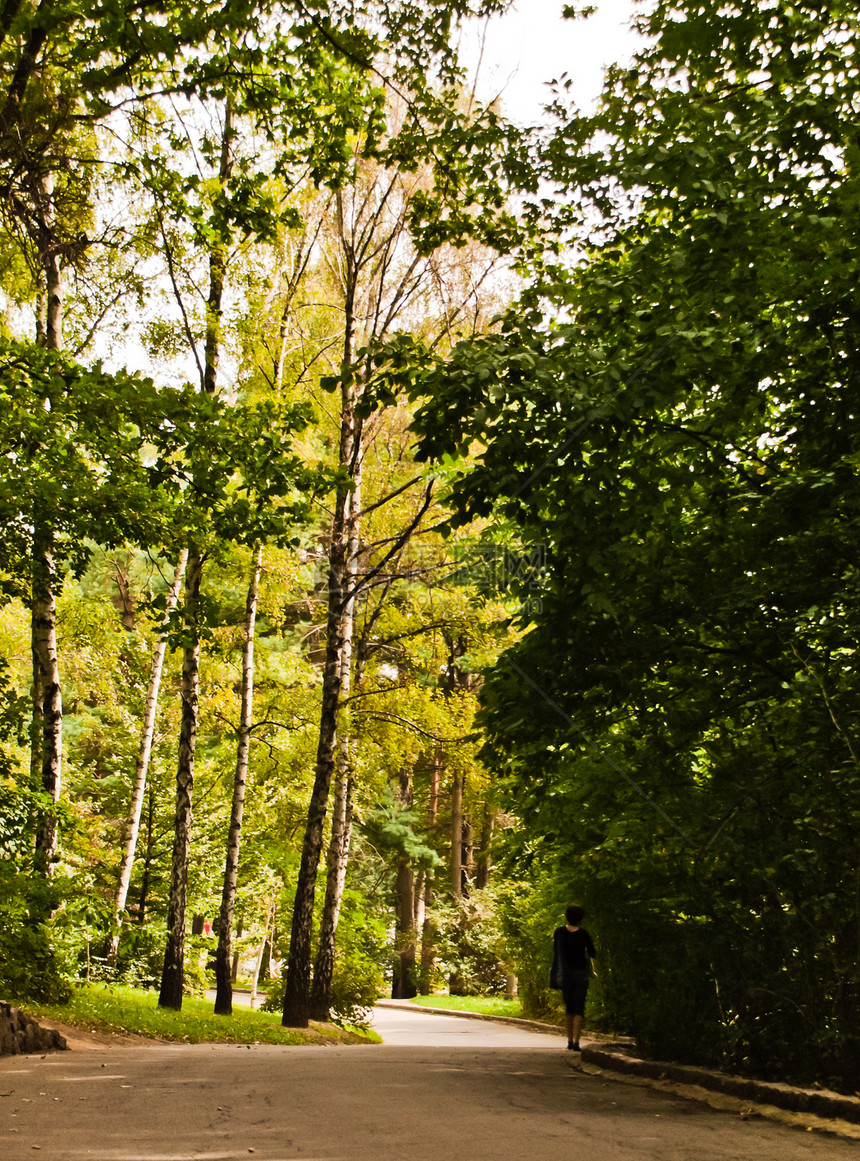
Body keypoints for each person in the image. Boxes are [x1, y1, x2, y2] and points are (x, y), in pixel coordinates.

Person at [551, 903, 596, 1051]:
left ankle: (569, 1040)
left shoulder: (559, 932)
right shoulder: (584, 934)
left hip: (565, 974)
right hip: (581, 973)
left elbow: (556, 952)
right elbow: (592, 953)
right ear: (581, 918)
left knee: (569, 1007)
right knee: (579, 1008)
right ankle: (577, 1042)